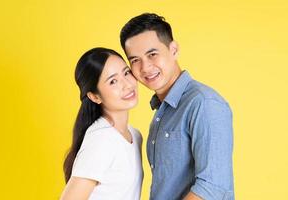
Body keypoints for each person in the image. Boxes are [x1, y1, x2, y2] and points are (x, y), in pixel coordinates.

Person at [120, 13, 234, 200]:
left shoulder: (203, 103)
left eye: (152, 54)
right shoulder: (163, 111)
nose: (145, 67)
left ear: (173, 50)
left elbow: (213, 188)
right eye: (135, 60)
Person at [60, 47, 143, 200]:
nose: (127, 85)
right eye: (113, 81)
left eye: (126, 73)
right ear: (94, 96)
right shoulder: (102, 139)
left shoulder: (135, 135)